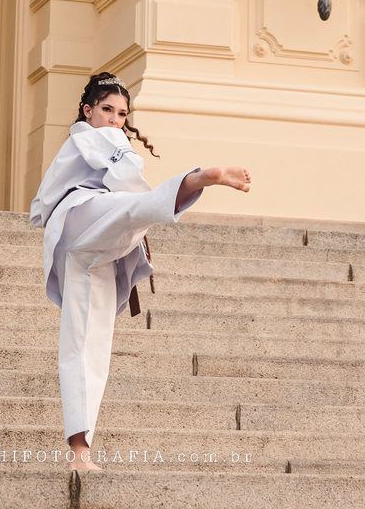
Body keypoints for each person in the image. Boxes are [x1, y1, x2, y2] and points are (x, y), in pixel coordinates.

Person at [29, 72, 252, 470]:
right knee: (137, 208)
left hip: (89, 253)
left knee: (87, 347)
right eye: (107, 110)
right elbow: (131, 182)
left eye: (121, 114)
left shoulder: (81, 143)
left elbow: (46, 206)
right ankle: (196, 179)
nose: (115, 120)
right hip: (83, 219)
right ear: (87, 111)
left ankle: (80, 452)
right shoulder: (93, 135)